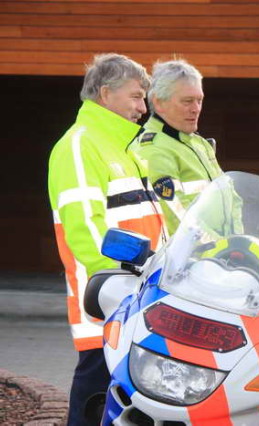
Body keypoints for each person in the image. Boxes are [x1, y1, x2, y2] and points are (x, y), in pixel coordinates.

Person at [48, 53, 167, 425]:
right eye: (136, 97)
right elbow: (85, 231)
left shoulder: (122, 148)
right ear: (104, 94)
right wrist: (120, 290)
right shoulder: (80, 146)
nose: (143, 109)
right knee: (96, 402)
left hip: (138, 301)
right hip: (109, 305)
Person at [129, 59, 223, 235]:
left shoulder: (199, 143)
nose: (196, 109)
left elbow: (231, 198)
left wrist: (237, 239)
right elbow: (176, 215)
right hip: (195, 250)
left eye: (199, 100)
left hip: (223, 249)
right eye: (187, 101)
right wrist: (219, 246)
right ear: (158, 103)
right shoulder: (153, 150)